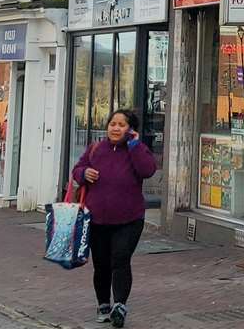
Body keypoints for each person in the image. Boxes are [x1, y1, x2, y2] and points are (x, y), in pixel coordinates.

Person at [71, 108, 157, 328]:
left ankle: (119, 304)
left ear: (131, 129)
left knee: (120, 259)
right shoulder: (96, 149)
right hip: (97, 219)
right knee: (101, 265)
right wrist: (84, 173)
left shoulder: (137, 150)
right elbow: (77, 169)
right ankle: (103, 304)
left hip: (129, 219)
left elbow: (148, 170)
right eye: (112, 124)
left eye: (121, 124)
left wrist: (135, 146)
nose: (116, 128)